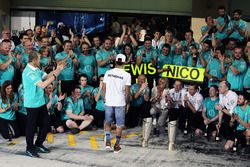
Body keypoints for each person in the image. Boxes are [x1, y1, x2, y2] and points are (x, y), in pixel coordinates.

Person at [22, 51, 65, 158]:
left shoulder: (36, 69)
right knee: (31, 127)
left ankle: (38, 144)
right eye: (39, 58)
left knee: (46, 122)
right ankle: (29, 148)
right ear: (34, 60)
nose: (40, 60)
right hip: (32, 103)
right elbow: (43, 84)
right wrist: (55, 75)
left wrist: (58, 69)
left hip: (40, 102)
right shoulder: (28, 72)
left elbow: (46, 76)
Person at [103, 53, 131, 153]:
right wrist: (128, 102)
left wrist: (105, 98)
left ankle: (107, 142)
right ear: (124, 62)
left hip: (109, 101)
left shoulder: (108, 72)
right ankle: (116, 145)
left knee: (108, 122)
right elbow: (127, 91)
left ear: (115, 61)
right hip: (120, 102)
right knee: (119, 125)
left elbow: (103, 87)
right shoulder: (127, 75)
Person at [167, 79, 186, 150]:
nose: (177, 86)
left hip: (181, 109)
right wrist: (169, 101)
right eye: (176, 85)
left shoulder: (184, 91)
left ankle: (181, 128)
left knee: (183, 111)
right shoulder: (170, 91)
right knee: (171, 112)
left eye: (179, 85)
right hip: (173, 108)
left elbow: (183, 104)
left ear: (181, 86)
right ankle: (171, 139)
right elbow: (170, 105)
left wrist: (174, 101)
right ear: (173, 85)